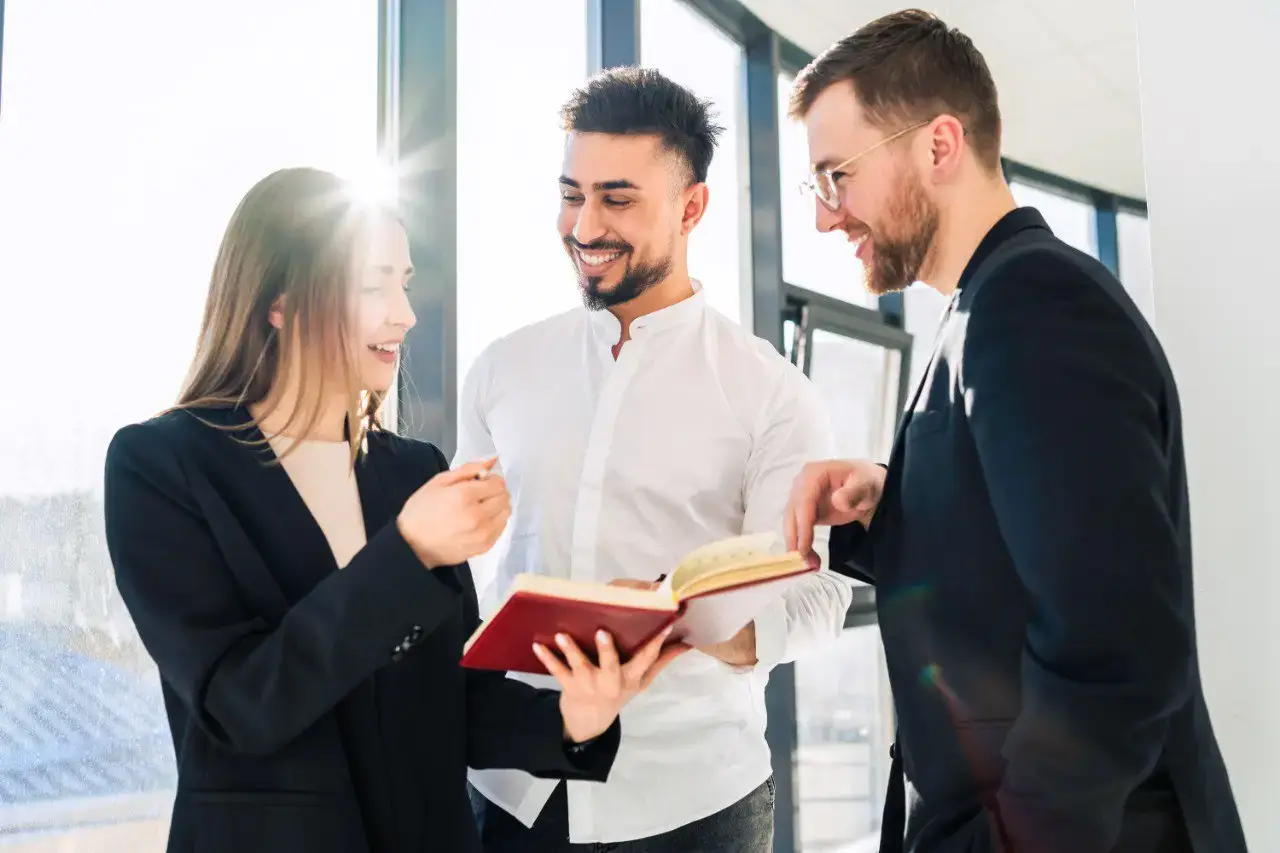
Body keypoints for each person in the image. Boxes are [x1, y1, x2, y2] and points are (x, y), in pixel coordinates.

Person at [102, 167, 685, 853]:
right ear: (280, 301)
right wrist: (408, 551)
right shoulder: (160, 465)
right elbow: (242, 704)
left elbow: (453, 699)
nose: (405, 314)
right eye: (374, 284)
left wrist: (576, 716)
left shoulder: (413, 471)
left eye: (403, 284)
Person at [782, 10, 1245, 853]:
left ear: (939, 145)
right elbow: (1031, 557)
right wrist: (891, 503)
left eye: (836, 177)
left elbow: (1116, 649)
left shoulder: (1033, 306)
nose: (825, 216)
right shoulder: (990, 304)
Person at [456, 67, 853, 852]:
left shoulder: (772, 393)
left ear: (691, 206)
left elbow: (819, 598)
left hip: (693, 799)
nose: (584, 225)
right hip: (514, 789)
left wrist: (683, 624)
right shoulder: (504, 368)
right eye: (571, 195)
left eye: (617, 199)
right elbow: (465, 566)